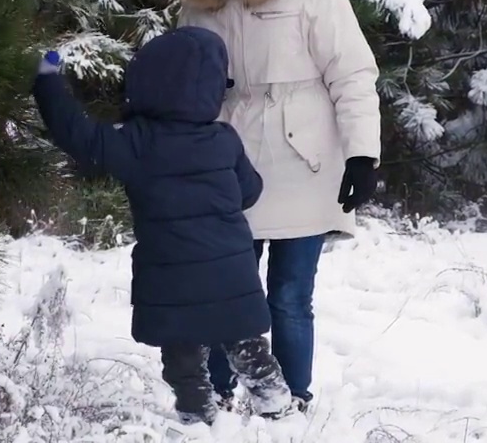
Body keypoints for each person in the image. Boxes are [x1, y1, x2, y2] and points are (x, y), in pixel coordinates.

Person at [141, 0, 381, 412]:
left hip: (307, 160)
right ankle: (226, 397)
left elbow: (352, 73)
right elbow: (184, 93)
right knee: (229, 294)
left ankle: (292, 401)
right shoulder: (197, 3)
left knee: (291, 298)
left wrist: (363, 153)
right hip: (229, 169)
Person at [31, 27, 299, 425]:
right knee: (247, 344)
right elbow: (250, 191)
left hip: (171, 276)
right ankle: (279, 411)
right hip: (230, 272)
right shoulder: (223, 139)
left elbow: (80, 136)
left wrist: (48, 83)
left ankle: (198, 420)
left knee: (183, 357)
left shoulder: (137, 143)